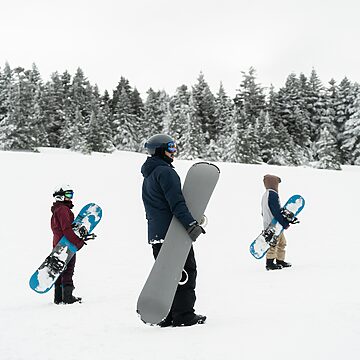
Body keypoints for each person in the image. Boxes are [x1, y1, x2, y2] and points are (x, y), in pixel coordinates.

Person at [141, 134, 206, 327]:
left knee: (167, 276)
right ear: (160, 150)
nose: (174, 151)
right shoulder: (165, 172)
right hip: (173, 234)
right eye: (170, 147)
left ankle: (169, 315)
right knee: (186, 273)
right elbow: (176, 203)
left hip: (156, 235)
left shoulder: (149, 175)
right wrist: (190, 224)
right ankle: (184, 315)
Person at [51, 184, 85, 304]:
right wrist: (77, 242)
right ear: (60, 196)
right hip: (66, 244)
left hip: (58, 244)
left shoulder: (57, 210)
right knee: (68, 269)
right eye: (68, 195)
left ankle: (58, 297)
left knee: (60, 269)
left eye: (71, 194)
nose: (71, 198)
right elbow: (67, 229)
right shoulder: (63, 210)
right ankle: (68, 297)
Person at [262, 174, 295, 270]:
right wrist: (284, 224)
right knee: (273, 243)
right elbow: (276, 211)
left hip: (271, 223)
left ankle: (280, 260)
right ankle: (270, 263)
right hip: (274, 224)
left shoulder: (265, 195)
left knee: (282, 242)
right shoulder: (272, 194)